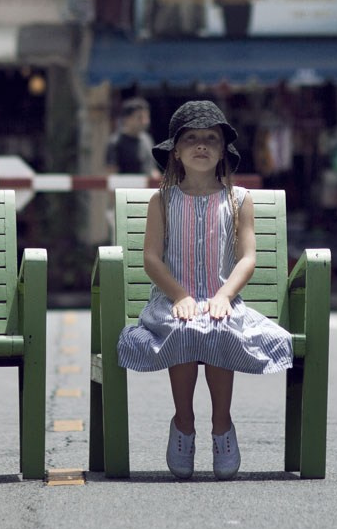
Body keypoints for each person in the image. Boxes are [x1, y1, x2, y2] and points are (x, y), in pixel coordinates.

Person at [116, 101, 293, 480]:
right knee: (185, 329)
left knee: (218, 326)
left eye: (210, 139)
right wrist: (180, 296)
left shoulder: (238, 199)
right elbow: (151, 258)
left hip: (223, 299)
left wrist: (225, 296)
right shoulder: (161, 200)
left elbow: (247, 258)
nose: (201, 145)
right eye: (191, 139)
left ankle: (221, 425)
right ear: (176, 151)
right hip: (171, 302)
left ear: (222, 150)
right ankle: (183, 422)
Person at [105, 97, 158, 177]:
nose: (145, 122)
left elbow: (152, 169)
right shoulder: (115, 143)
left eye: (147, 117)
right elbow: (112, 175)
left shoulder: (147, 140)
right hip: (126, 188)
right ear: (127, 119)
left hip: (147, 189)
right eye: (140, 117)